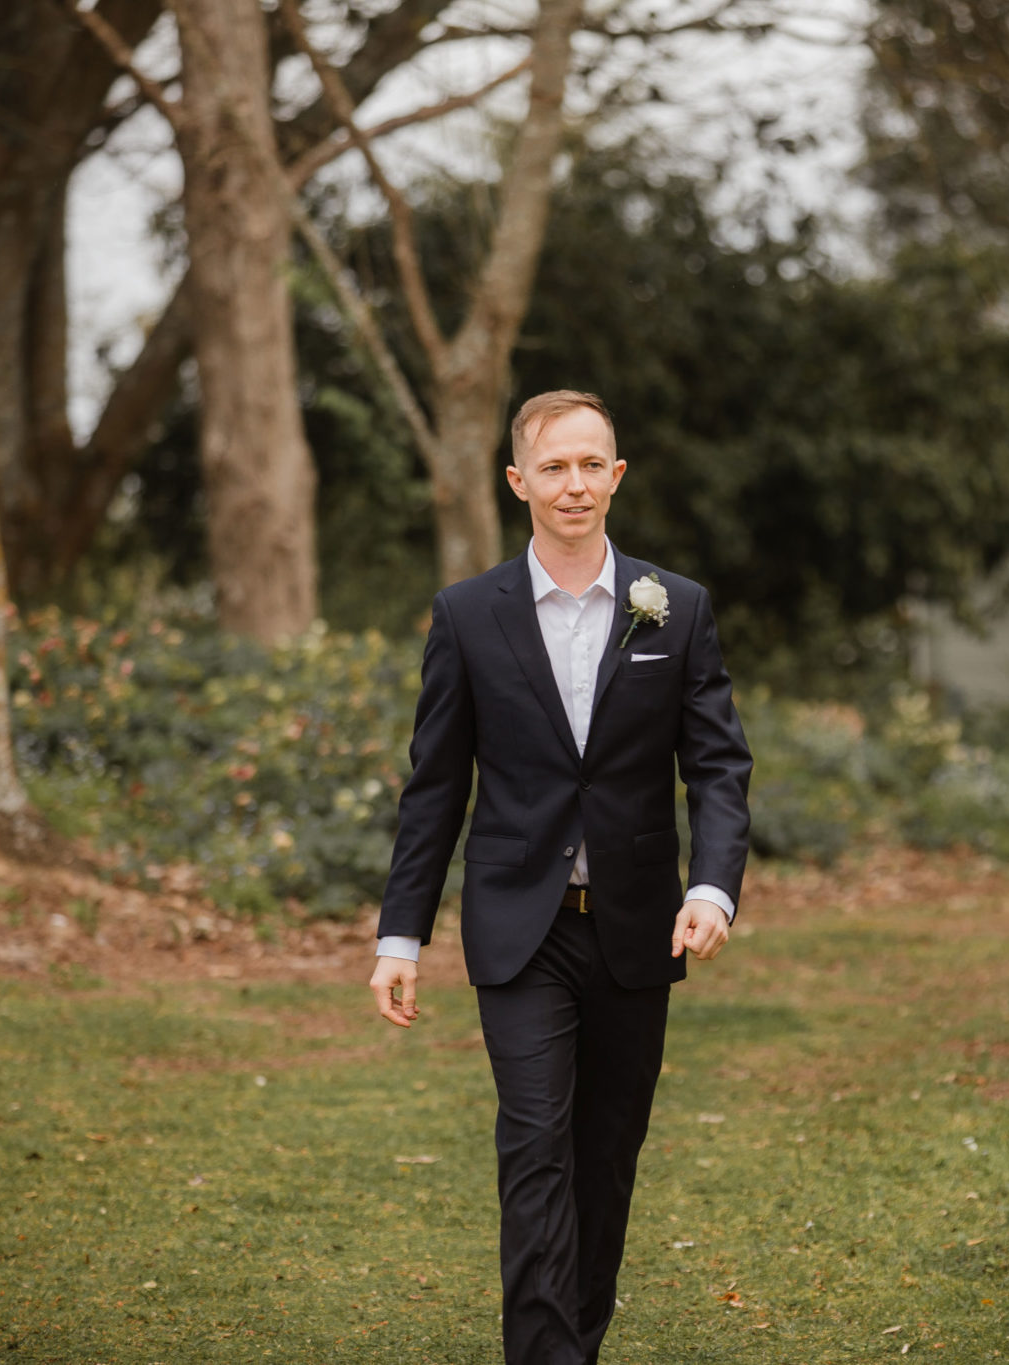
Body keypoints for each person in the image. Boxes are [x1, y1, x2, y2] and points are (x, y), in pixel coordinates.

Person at [367, 390, 753, 1365]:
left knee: (602, 1164)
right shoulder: (466, 615)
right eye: (553, 467)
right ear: (518, 483)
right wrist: (398, 937)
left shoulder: (678, 607)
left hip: (634, 930)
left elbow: (714, 766)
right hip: (518, 928)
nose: (572, 484)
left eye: (591, 465)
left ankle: (572, 1341)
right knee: (534, 1149)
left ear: (615, 477)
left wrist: (709, 889)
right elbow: (436, 787)